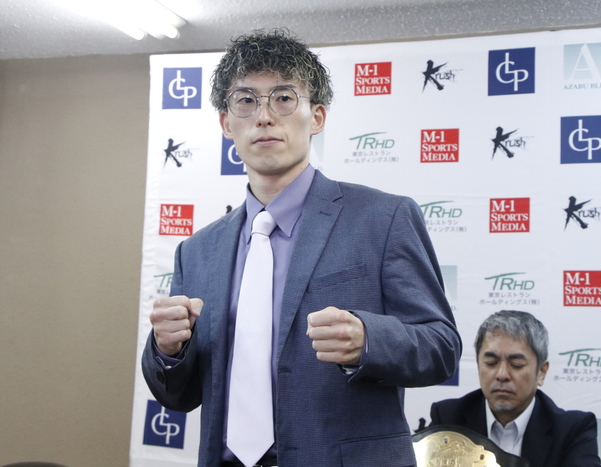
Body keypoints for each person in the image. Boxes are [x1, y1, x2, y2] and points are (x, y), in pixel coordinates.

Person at [142, 29, 462, 467]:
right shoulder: (197, 251)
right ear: (226, 124)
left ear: (317, 117)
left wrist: (369, 339)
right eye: (246, 100)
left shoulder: (383, 219)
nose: (264, 117)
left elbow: (442, 347)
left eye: (284, 98)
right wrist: (167, 350)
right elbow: (178, 396)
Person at [429, 310, 601, 467]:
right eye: (491, 363)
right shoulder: (448, 419)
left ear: (541, 372)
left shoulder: (572, 430)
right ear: (478, 365)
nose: (502, 375)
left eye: (516, 364)